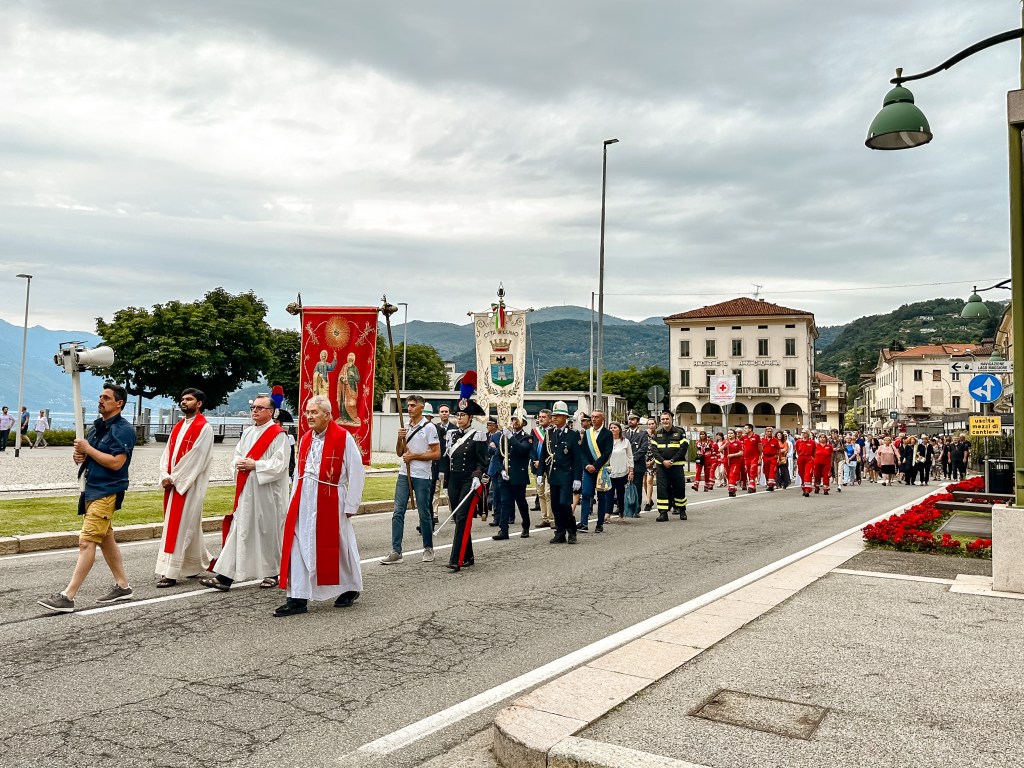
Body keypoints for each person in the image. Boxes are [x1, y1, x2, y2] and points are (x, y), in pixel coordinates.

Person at [38, 384, 136, 613]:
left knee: (87, 540)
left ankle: (67, 596)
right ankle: (123, 586)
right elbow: (89, 456)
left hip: (106, 490)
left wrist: (88, 450)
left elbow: (116, 463)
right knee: (105, 538)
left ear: (119, 403)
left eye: (106, 397)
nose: (100, 400)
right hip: (92, 488)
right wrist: (80, 454)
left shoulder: (123, 430)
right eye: (100, 396)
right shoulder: (96, 427)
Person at [275, 394, 365, 617]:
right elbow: (298, 472)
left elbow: (357, 471)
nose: (309, 416)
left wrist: (351, 503)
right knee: (298, 545)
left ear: (328, 415)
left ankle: (350, 587)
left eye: (314, 412)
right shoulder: (305, 438)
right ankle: (297, 597)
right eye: (307, 412)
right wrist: (292, 499)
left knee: (339, 547)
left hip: (331, 498)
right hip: (304, 499)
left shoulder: (343, 438)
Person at [201, 394, 289, 592]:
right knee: (239, 530)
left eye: (260, 408)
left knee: (268, 532)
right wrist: (238, 464)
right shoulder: (248, 432)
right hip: (247, 491)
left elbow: (280, 464)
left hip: (268, 494)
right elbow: (238, 454)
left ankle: (272, 572)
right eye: (253, 408)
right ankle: (225, 577)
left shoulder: (279, 435)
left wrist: (255, 464)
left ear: (271, 412)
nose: (255, 411)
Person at [155, 388, 214, 588]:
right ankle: (196, 563)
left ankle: (170, 572)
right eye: (182, 399)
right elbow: (167, 453)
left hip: (189, 485)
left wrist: (175, 479)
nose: (184, 402)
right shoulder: (178, 426)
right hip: (173, 483)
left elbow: (197, 458)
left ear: (199, 404)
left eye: (189, 399)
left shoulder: (204, 428)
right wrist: (164, 474)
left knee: (181, 526)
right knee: (187, 525)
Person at [380, 394, 441, 565]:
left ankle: (428, 548)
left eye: (413, 405)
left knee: (424, 513)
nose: (410, 408)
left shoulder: (429, 427)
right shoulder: (404, 426)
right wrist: (400, 438)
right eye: (408, 405)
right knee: (398, 512)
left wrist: (415, 456)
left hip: (422, 475)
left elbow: (436, 454)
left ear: (421, 407)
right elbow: (400, 452)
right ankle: (396, 550)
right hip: (403, 474)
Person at [444, 394, 488, 571]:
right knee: (457, 517)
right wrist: (445, 480)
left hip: (469, 481)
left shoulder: (478, 435)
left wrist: (477, 475)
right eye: (458, 415)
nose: (459, 418)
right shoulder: (451, 435)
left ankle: (457, 559)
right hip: (454, 480)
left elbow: (482, 460)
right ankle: (468, 554)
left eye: (463, 415)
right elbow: (447, 459)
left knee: (462, 518)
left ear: (470, 417)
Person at [492, 408, 533, 540]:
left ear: (524, 422)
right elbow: (498, 455)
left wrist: (510, 437)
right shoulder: (505, 437)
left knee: (521, 502)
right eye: (514, 419)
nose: (515, 422)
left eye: (518, 419)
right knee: (505, 502)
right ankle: (503, 530)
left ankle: (526, 525)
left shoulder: (527, 437)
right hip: (505, 476)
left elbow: (522, 449)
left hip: (518, 476)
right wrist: (501, 470)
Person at [544, 401, 580, 544]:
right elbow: (544, 455)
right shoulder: (550, 433)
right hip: (553, 475)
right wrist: (541, 472)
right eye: (554, 415)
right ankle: (559, 532)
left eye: (559, 415)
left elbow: (577, 458)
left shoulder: (572, 435)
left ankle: (571, 530)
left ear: (566, 417)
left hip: (566, 475)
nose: (555, 418)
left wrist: (577, 478)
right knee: (555, 506)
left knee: (564, 505)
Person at [578, 409, 613, 532]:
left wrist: (596, 466)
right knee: (586, 494)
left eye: (596, 417)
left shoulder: (607, 434)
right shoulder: (587, 433)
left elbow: (607, 452)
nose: (593, 419)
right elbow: (582, 451)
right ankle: (583, 523)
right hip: (588, 470)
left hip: (600, 469)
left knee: (602, 496)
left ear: (602, 419)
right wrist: (587, 465)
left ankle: (599, 523)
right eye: (592, 417)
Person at [649, 410, 688, 520]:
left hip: (676, 465)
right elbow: (654, 450)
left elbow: (683, 449)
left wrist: (672, 460)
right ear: (660, 421)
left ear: (671, 419)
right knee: (662, 488)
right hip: (662, 467)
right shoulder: (657, 434)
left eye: (667, 419)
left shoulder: (680, 432)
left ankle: (682, 510)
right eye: (663, 419)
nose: (665, 421)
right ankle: (663, 513)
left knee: (679, 488)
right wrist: (663, 461)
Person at [605, 421, 634, 524]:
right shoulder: (607, 441)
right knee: (609, 494)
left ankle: (621, 513)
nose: (612, 429)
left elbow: (630, 456)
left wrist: (631, 471)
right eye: (611, 428)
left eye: (615, 428)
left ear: (620, 430)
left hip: (622, 472)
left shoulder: (625, 442)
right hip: (609, 471)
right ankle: (607, 514)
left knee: (621, 494)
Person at [530, 409, 553, 528]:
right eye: (540, 416)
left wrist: (543, 462)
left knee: (548, 493)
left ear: (550, 419)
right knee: (540, 493)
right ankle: (545, 518)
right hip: (536, 466)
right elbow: (532, 447)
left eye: (544, 417)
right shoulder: (535, 431)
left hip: (548, 466)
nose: (541, 419)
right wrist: (535, 460)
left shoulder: (552, 431)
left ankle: (551, 518)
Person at [624, 412, 650, 507]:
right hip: (624, 465)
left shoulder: (642, 434)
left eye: (633, 419)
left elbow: (643, 448)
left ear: (638, 421)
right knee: (623, 486)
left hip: (637, 464)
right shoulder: (624, 433)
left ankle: (636, 507)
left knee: (636, 486)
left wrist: (631, 459)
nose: (630, 421)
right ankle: (623, 506)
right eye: (629, 419)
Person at [794, 429, 816, 497]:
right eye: (802, 432)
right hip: (801, 458)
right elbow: (797, 450)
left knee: (808, 473)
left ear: (808, 434)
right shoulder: (798, 442)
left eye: (805, 433)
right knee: (801, 473)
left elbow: (814, 451)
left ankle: (807, 489)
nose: (803, 434)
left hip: (809, 459)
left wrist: (813, 459)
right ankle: (804, 486)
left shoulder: (812, 442)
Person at [741, 424, 762, 493]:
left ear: (750, 429)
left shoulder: (756, 437)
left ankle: (751, 484)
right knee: (749, 471)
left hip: (754, 457)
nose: (745, 430)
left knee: (753, 470)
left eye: (746, 428)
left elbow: (760, 447)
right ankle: (752, 485)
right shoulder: (744, 437)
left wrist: (760, 456)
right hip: (746, 457)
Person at [724, 428, 745, 498]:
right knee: (728, 475)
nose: (729, 435)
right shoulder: (726, 442)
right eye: (728, 433)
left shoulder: (738, 442)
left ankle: (731, 489)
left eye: (731, 433)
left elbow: (741, 453)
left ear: (734, 435)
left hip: (735, 462)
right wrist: (725, 445)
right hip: (727, 461)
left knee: (732, 474)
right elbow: (720, 449)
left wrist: (732, 455)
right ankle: (733, 486)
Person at [643, 418, 657, 508]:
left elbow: (660, 450)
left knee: (649, 480)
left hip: (653, 459)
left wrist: (653, 461)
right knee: (644, 481)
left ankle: (648, 502)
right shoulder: (644, 434)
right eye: (649, 424)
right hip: (644, 459)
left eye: (652, 423)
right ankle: (649, 499)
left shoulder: (658, 435)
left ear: (656, 424)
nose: (651, 425)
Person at [761, 427, 780, 492]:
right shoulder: (762, 440)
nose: (769, 433)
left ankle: (771, 485)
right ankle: (768, 482)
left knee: (772, 471)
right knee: (766, 471)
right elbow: (760, 449)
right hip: (765, 457)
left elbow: (778, 449)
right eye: (768, 431)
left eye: (770, 431)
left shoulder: (775, 440)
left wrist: (778, 458)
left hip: (773, 457)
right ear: (765, 432)